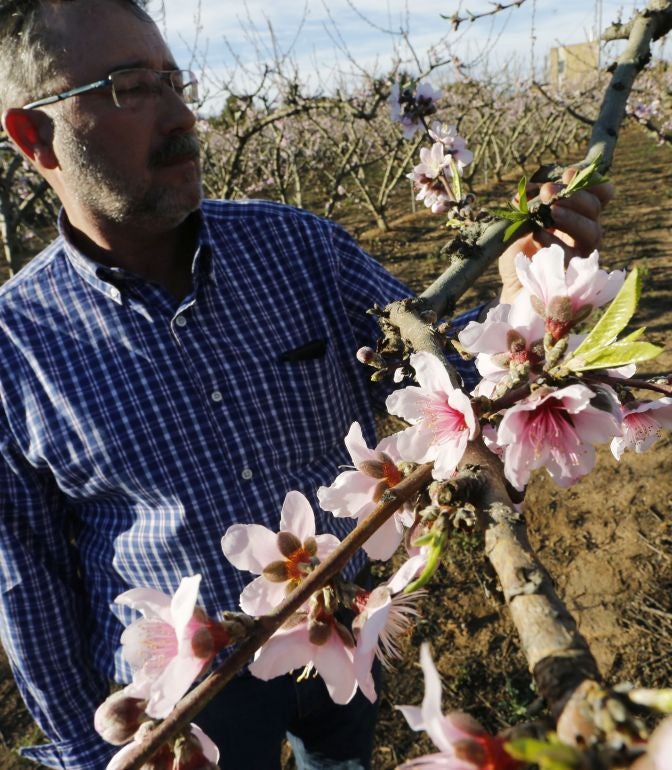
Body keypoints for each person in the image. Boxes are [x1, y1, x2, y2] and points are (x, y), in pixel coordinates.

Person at [0, 1, 612, 768]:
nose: (184, 114)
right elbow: (29, 588)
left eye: (173, 79)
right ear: (33, 137)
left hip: (343, 628)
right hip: (190, 694)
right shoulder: (15, 344)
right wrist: (94, 757)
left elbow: (450, 375)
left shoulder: (298, 247)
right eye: (130, 86)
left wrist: (532, 295)